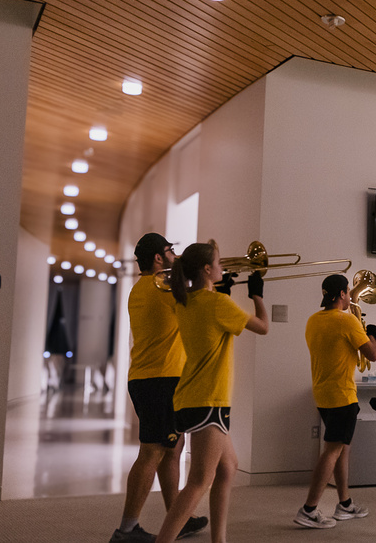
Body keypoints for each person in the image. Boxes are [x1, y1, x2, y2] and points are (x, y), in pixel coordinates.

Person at [155, 242, 268, 543]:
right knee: (198, 482)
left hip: (192, 398)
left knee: (228, 467)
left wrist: (222, 293)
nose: (222, 266)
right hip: (209, 400)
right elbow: (263, 326)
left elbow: (212, 321)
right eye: (218, 262)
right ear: (207, 269)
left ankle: (219, 540)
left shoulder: (185, 302)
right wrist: (256, 293)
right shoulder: (218, 305)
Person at [112, 233, 207, 543]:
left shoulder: (141, 288)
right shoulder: (159, 287)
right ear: (157, 258)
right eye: (170, 252)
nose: (174, 257)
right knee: (152, 451)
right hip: (159, 380)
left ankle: (177, 519)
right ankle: (126, 529)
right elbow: (197, 310)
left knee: (172, 449)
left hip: (153, 377)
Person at [296, 274, 376, 529]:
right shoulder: (347, 322)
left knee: (342, 447)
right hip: (343, 395)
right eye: (348, 292)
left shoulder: (313, 320)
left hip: (323, 394)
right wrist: (372, 334)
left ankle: (345, 503)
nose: (349, 296)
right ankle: (309, 509)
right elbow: (372, 355)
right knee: (332, 450)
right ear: (343, 294)